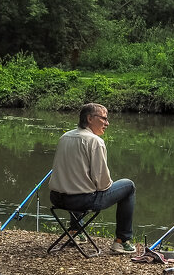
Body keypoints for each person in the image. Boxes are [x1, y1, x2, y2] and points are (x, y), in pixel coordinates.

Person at [49, 102, 137, 254]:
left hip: (56, 198)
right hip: (80, 201)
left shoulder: (65, 137)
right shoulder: (95, 142)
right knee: (128, 186)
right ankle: (121, 241)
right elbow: (103, 185)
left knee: (79, 184)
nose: (107, 123)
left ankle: (76, 231)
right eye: (104, 118)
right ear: (90, 118)